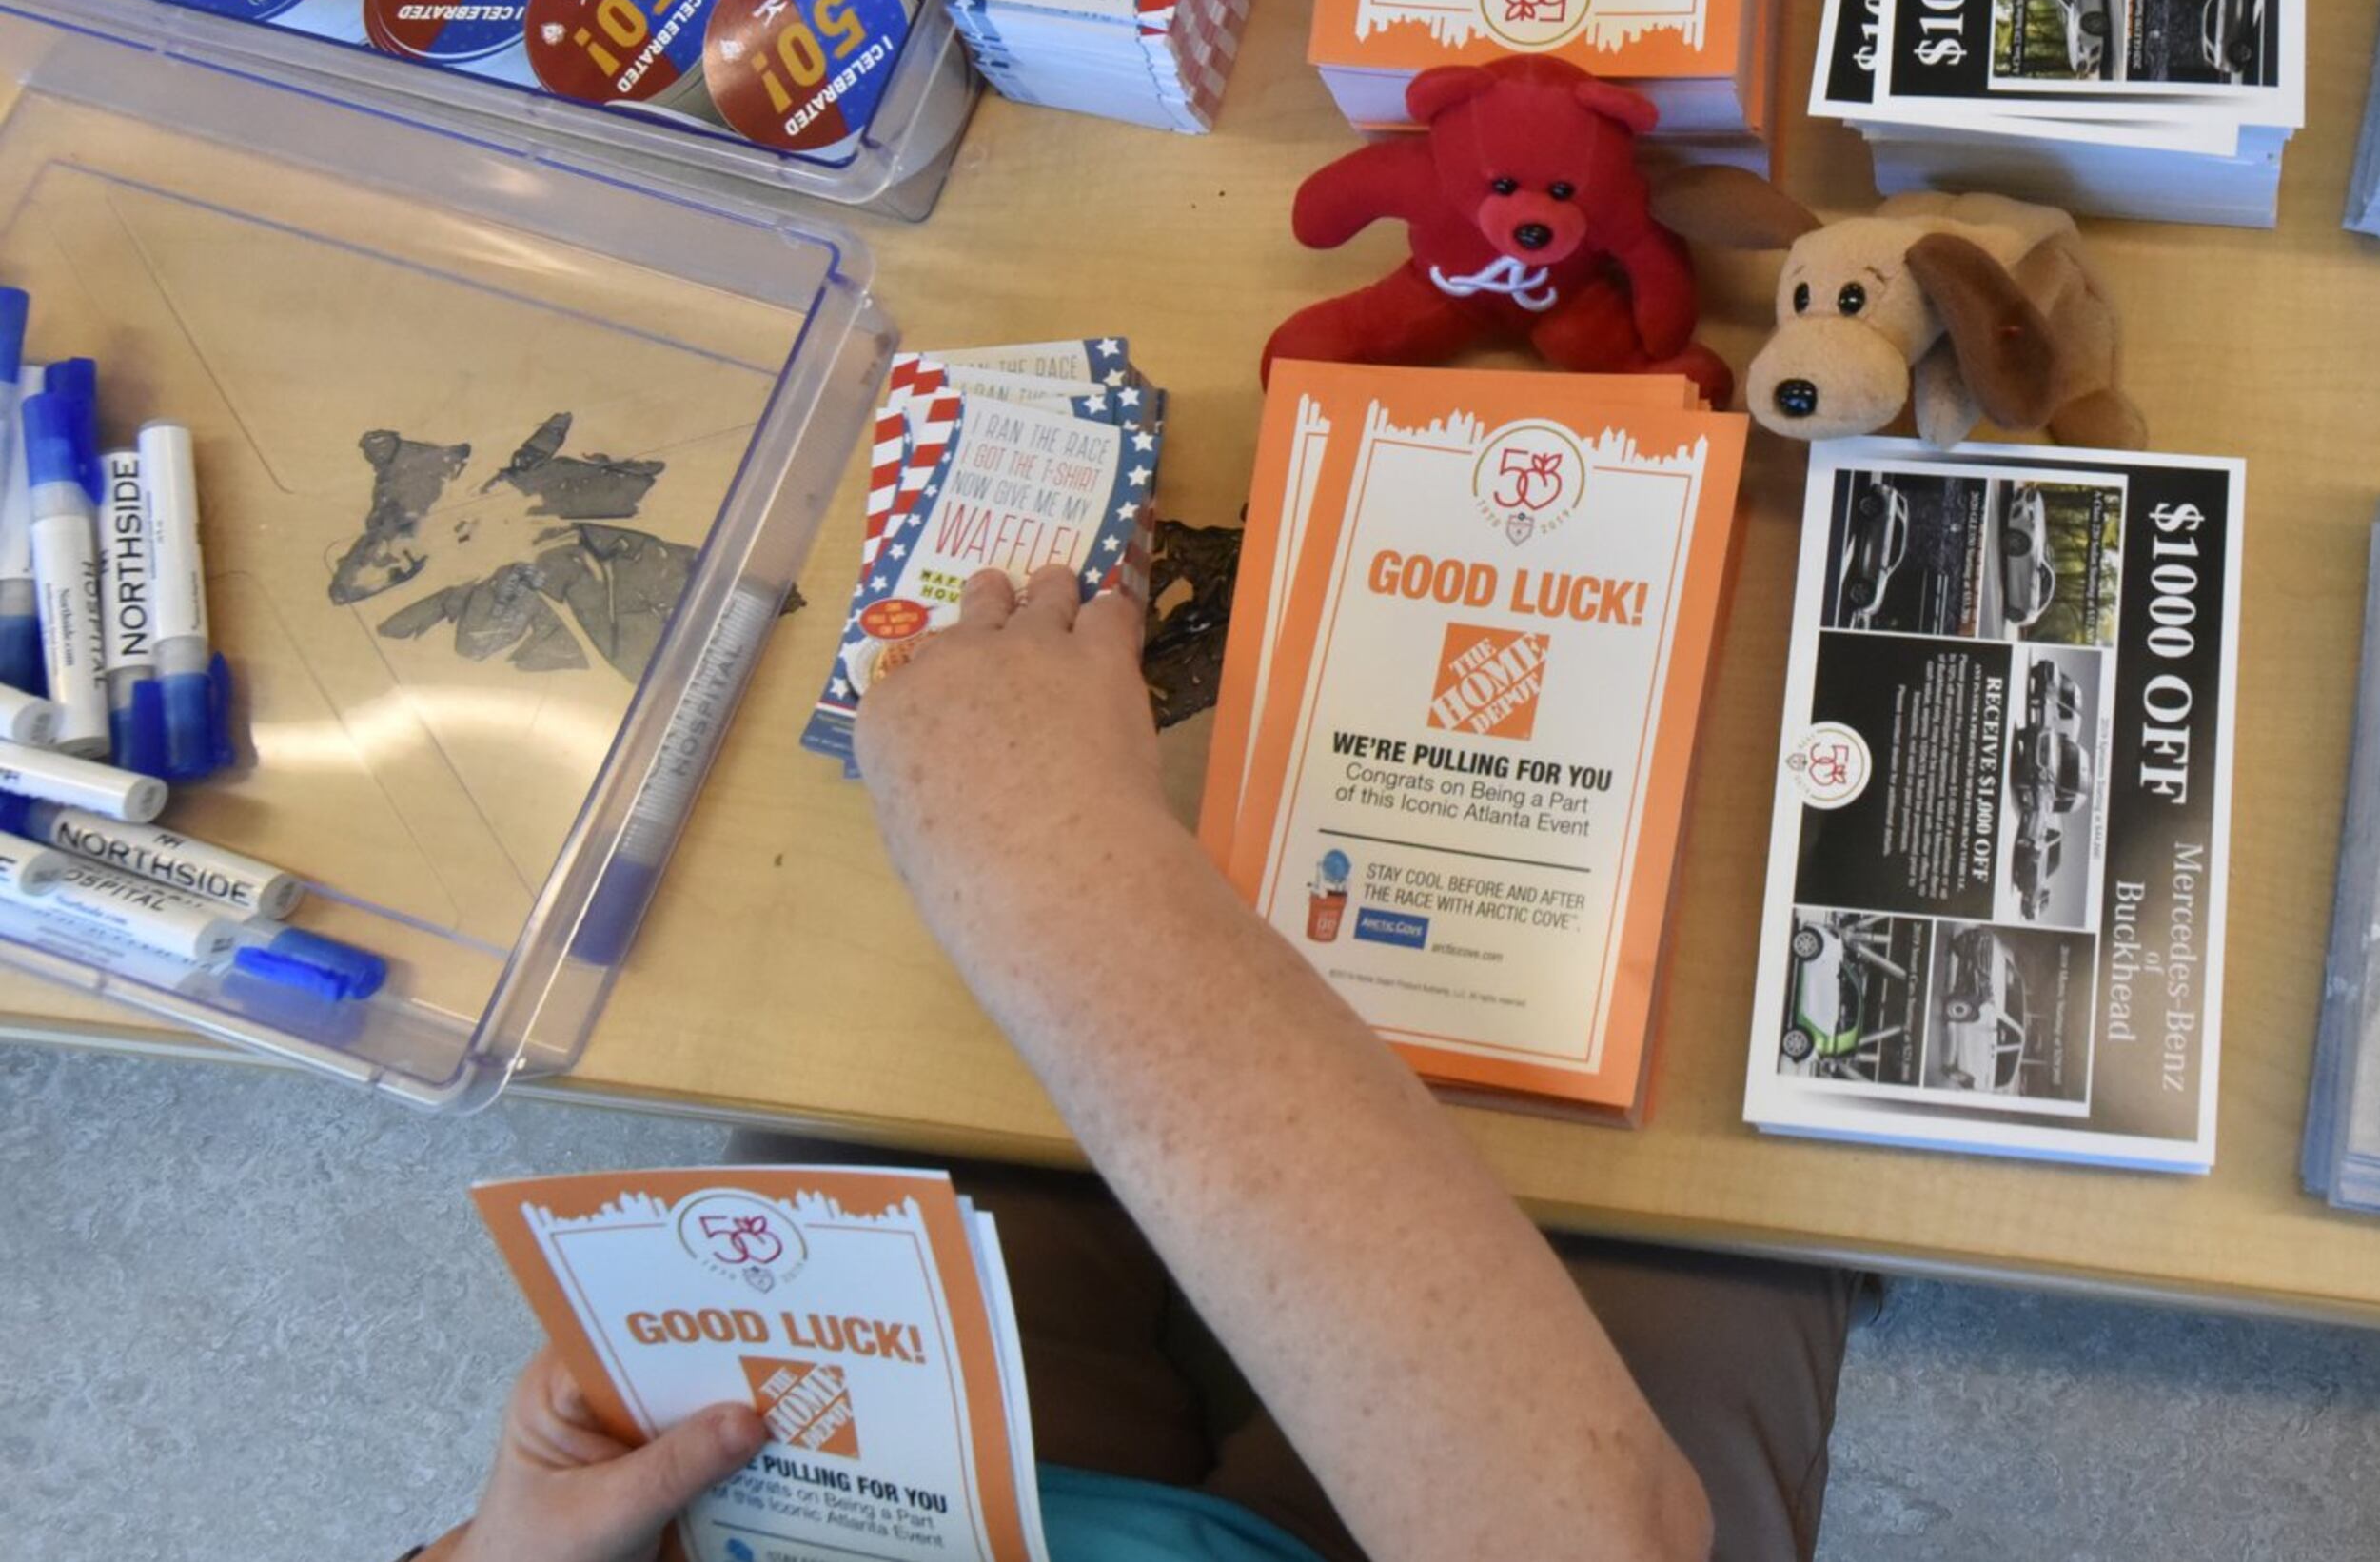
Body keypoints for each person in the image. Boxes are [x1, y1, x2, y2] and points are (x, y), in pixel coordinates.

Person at [410, 564, 1854, 1562]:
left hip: (864, 1492)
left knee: (857, 1025)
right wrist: (1048, 860)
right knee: (1736, 1133)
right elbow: (1596, 1532)